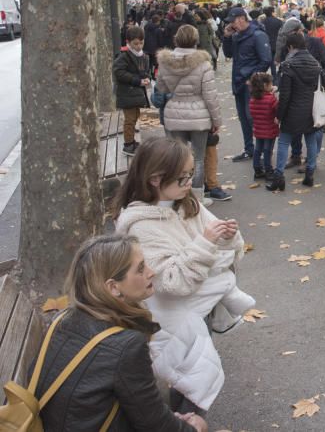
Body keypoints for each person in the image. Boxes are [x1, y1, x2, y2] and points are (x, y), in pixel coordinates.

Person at [114, 137, 254, 414]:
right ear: (155, 179)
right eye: (183, 177)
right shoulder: (142, 227)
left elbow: (220, 243)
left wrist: (226, 235)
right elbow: (173, 282)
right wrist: (207, 243)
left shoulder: (184, 202)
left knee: (194, 371)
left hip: (200, 308)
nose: (190, 182)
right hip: (174, 317)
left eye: (192, 174)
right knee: (190, 377)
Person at [29, 234, 207, 431]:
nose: (151, 272)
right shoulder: (126, 345)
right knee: (202, 424)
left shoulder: (64, 318)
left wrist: (169, 419)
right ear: (113, 287)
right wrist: (193, 428)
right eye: (140, 269)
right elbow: (155, 426)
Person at [156, 24, 222, 199]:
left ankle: (177, 194)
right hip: (199, 116)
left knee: (176, 158)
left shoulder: (164, 62)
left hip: (174, 113)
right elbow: (210, 96)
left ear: (176, 39)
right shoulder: (204, 64)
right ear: (196, 40)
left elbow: (161, 88)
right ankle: (197, 196)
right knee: (198, 158)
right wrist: (216, 121)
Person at [268, 32, 324, 190]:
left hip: (293, 110)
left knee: (284, 141)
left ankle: (278, 176)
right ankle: (310, 173)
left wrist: (279, 115)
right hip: (311, 109)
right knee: (311, 141)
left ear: (291, 47)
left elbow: (285, 95)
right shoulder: (315, 64)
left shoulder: (288, 64)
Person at [221, 7, 271, 161]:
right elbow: (228, 54)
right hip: (238, 82)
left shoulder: (258, 35)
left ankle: (260, 150)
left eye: (233, 21)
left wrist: (252, 78)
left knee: (253, 118)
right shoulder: (236, 36)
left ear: (242, 18)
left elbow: (265, 60)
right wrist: (227, 37)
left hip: (251, 84)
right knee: (243, 118)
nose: (232, 25)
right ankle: (249, 149)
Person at [114, 25, 151, 156]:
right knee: (129, 120)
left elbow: (145, 71)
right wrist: (137, 80)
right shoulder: (124, 56)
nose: (139, 46)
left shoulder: (143, 56)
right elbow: (119, 72)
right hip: (127, 93)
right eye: (136, 43)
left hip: (137, 93)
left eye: (141, 43)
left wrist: (146, 78)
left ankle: (131, 141)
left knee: (135, 117)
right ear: (128, 42)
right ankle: (128, 144)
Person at [249, 72, 278, 180]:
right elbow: (277, 110)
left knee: (258, 149)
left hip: (258, 128)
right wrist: (273, 94)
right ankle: (268, 170)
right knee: (267, 150)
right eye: (271, 84)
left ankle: (257, 169)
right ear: (265, 86)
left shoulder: (253, 99)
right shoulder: (271, 99)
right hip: (269, 129)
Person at [261, 6, 283, 72]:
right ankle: (274, 76)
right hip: (275, 43)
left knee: (266, 60)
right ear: (272, 12)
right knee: (274, 61)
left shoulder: (263, 22)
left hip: (265, 44)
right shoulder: (278, 21)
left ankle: (263, 74)